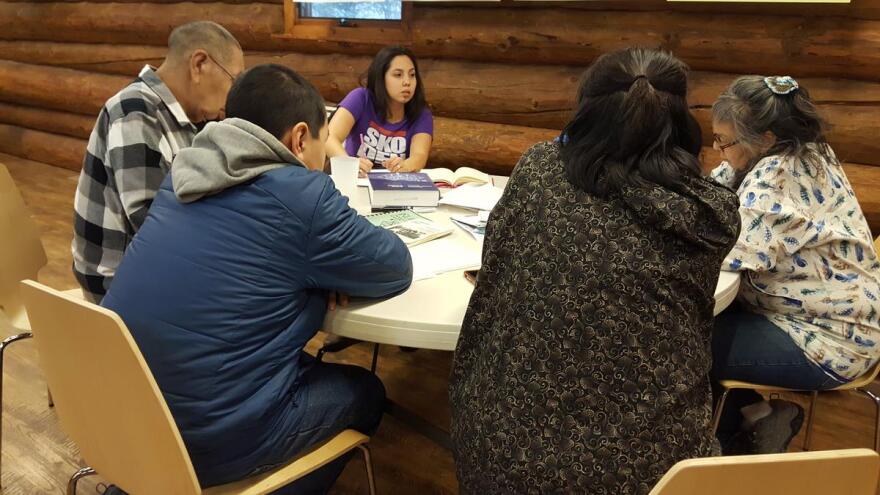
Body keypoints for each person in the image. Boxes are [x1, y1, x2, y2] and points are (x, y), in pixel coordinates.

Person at [101, 64, 413, 493]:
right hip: (204, 442)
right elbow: (395, 265)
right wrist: (322, 277)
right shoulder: (302, 195)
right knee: (365, 392)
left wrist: (310, 276)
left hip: (123, 421)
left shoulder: (184, 175)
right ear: (300, 139)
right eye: (323, 148)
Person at [449, 48, 741, 494]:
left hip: (492, 456)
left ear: (586, 110)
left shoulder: (536, 169)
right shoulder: (704, 217)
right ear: (680, 118)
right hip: (646, 477)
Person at [709, 75, 880, 454]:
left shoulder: (777, 177)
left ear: (766, 138)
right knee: (690, 326)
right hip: (838, 317)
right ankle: (757, 416)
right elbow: (715, 189)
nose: (717, 149)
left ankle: (726, 449)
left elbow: (722, 251)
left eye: (724, 141)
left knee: (679, 339)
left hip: (832, 340)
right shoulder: (804, 148)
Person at [72, 20, 245, 303]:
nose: (234, 94)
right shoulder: (135, 112)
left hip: (156, 270)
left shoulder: (189, 118)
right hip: (119, 288)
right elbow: (152, 224)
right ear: (199, 64)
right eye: (234, 79)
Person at [326, 46, 433, 176]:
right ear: (381, 78)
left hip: (396, 188)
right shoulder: (361, 98)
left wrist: (405, 165)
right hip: (357, 181)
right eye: (398, 75)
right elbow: (329, 137)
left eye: (412, 75)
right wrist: (350, 163)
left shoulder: (421, 113)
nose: (407, 82)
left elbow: (419, 156)